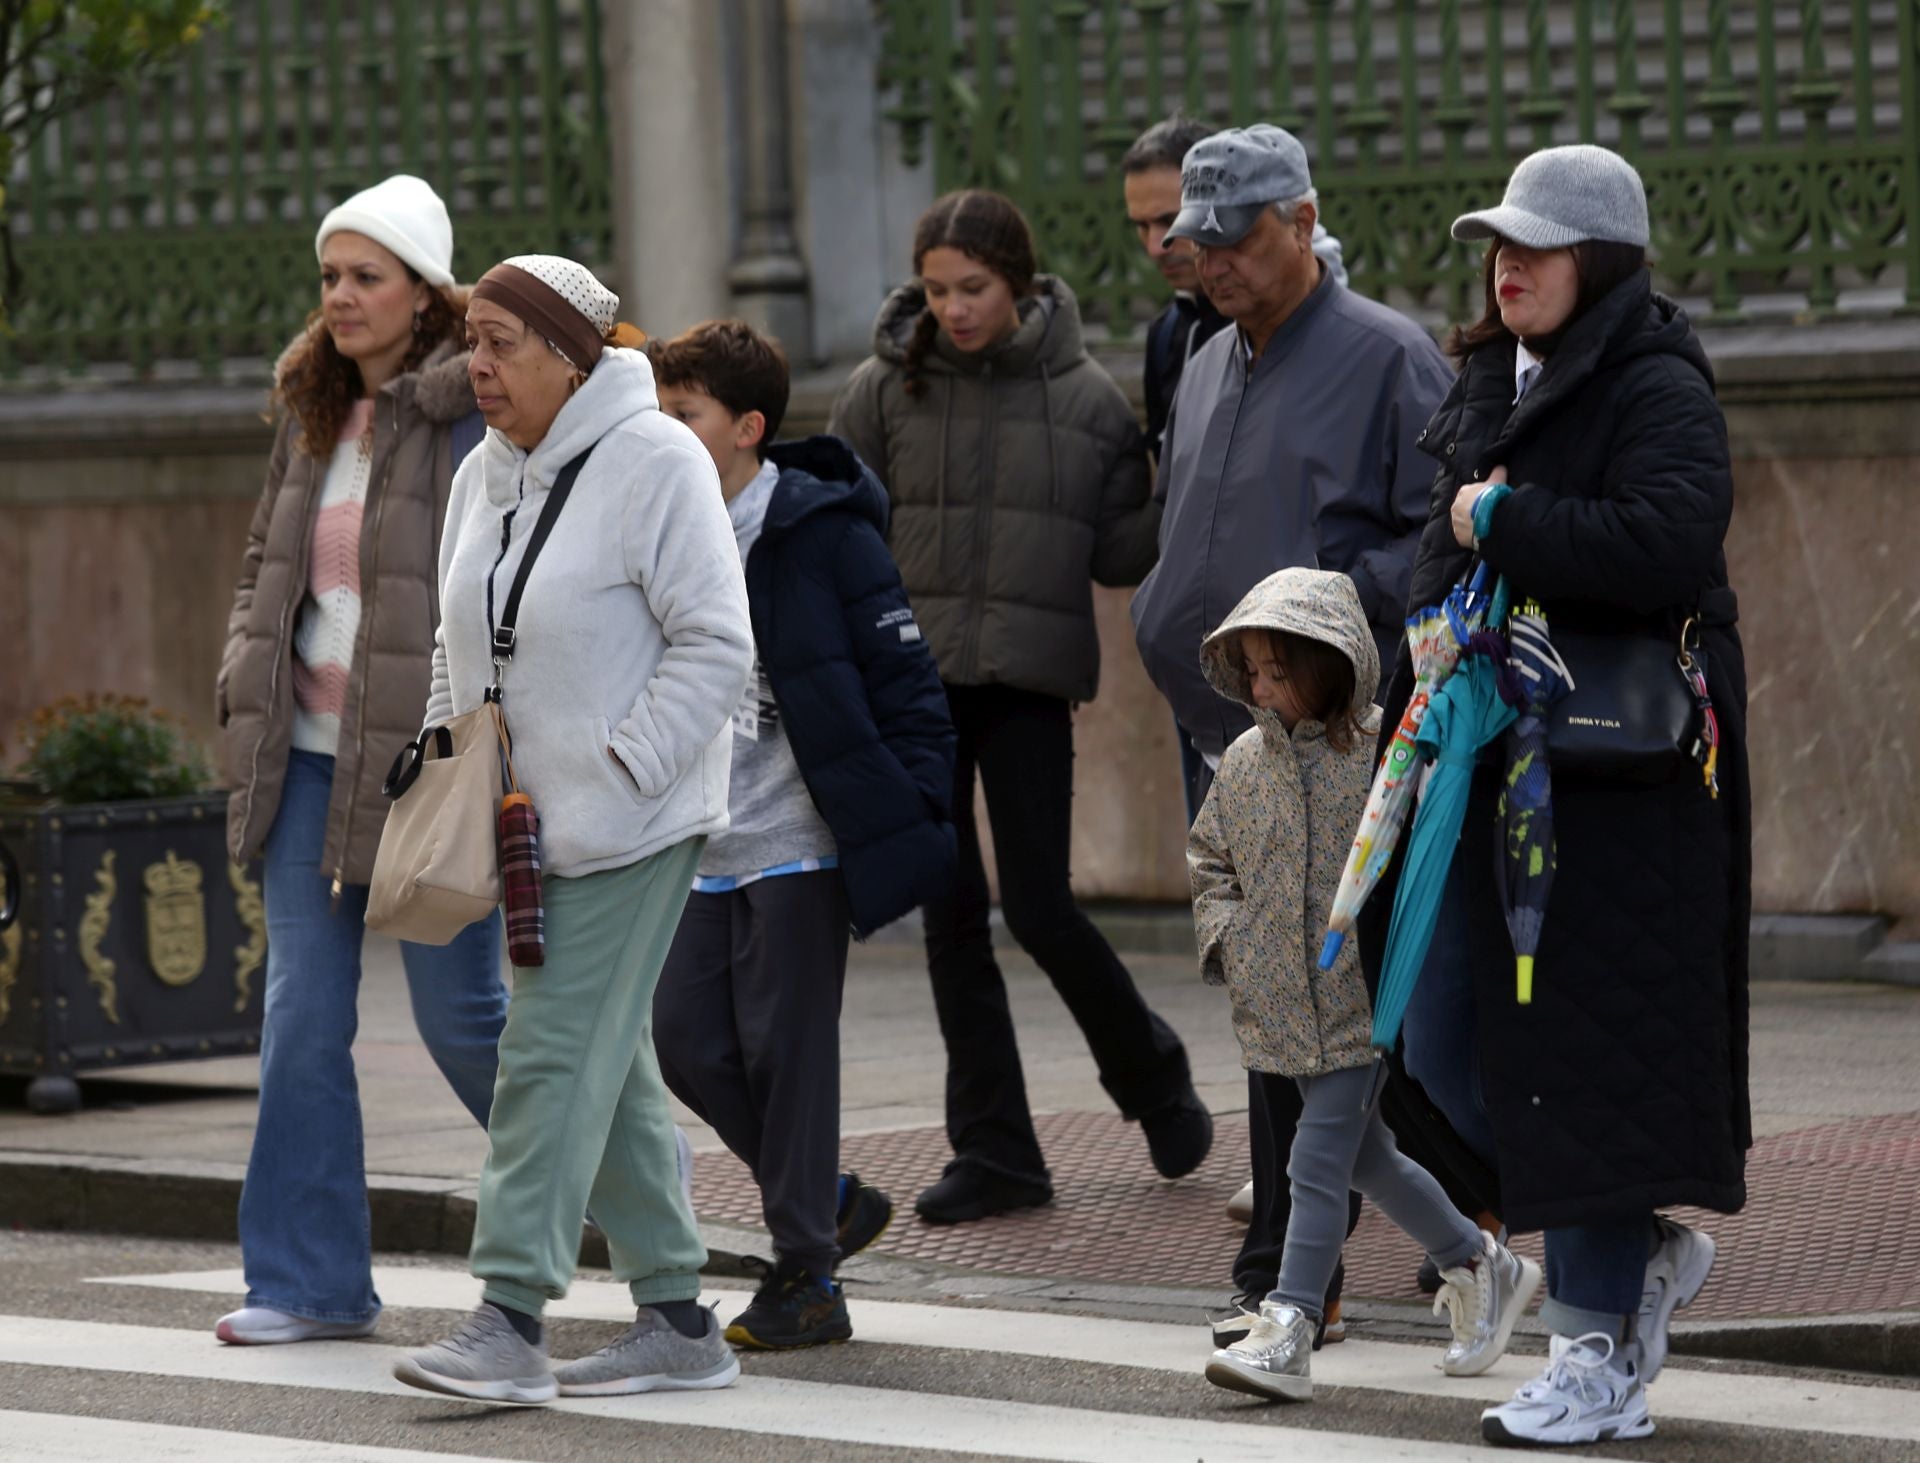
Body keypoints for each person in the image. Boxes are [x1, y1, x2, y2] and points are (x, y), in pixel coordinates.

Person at [1363, 145, 1748, 1448]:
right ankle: (1634, 1240)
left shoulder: (1654, 379)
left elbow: (1667, 542)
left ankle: (1596, 1356)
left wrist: (1503, 516)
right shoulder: (1488, 372)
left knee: (1578, 1056)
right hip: (1482, 753)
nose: (1506, 264)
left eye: (1534, 244)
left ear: (1604, 259)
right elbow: (1439, 545)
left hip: (1617, 783)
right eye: (1496, 243)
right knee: (1437, 1032)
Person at [392, 255, 755, 1405]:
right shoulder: (484, 471)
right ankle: (679, 1319)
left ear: (571, 353)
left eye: (502, 342)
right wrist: (455, 752)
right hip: (519, 821)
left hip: (629, 820)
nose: (477, 365)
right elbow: (459, 632)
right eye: (472, 341)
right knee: (613, 1065)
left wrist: (620, 767)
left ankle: (507, 1316)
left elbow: (716, 642)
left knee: (547, 1051)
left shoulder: (655, 460)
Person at [1127, 123, 1459, 1343]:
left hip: (1335, 736)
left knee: (1337, 1007)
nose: (1209, 261)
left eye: (1235, 238)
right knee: (1290, 1005)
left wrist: (1318, 608)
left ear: (1304, 221)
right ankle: (1423, 1237)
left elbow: (1438, 539)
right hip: (1228, 730)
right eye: (1194, 241)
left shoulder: (1386, 356)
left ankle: (1303, 1267)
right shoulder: (1211, 357)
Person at [829, 189, 1211, 1225]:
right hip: (916, 686)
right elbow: (842, 527)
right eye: (938, 289)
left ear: (1020, 283)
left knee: (1041, 906)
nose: (954, 308)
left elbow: (1120, 551)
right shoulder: (880, 389)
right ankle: (997, 1153)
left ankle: (1157, 1081)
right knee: (950, 916)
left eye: (975, 288)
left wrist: (1183, 481)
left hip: (1030, 685)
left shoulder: (1087, 399)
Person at [214, 174, 509, 1347]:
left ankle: (650, 1220)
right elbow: (263, 565)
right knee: (298, 1017)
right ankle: (305, 1282)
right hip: (302, 763)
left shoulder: (471, 412)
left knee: (466, 1022)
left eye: (364, 275)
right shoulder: (312, 408)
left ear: (425, 292)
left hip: (422, 772)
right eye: (329, 274)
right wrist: (245, 671)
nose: (339, 295)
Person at [647, 319, 957, 1348]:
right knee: (686, 1040)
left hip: (798, 833)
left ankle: (807, 1277)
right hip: (696, 841)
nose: (663, 430)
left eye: (682, 414)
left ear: (747, 428)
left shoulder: (821, 529)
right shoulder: (657, 529)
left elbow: (902, 674)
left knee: (788, 1052)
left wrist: (908, 795)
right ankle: (823, 1196)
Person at [1189, 567, 1538, 1404]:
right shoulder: (1243, 762)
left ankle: (1290, 1324)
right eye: (1255, 673)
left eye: (1279, 671)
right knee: (1368, 1159)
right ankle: (1478, 1261)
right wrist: (1232, 941)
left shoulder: (1387, 754)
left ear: (1331, 665)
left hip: (1364, 1000)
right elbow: (1211, 861)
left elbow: (1423, 855)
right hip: (1283, 1009)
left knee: (1315, 1161)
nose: (1264, 689)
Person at [1121, 115, 1348, 467]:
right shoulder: (1166, 335)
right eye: (1140, 226)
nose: (1155, 247)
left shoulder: (1358, 340)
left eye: (1170, 221)